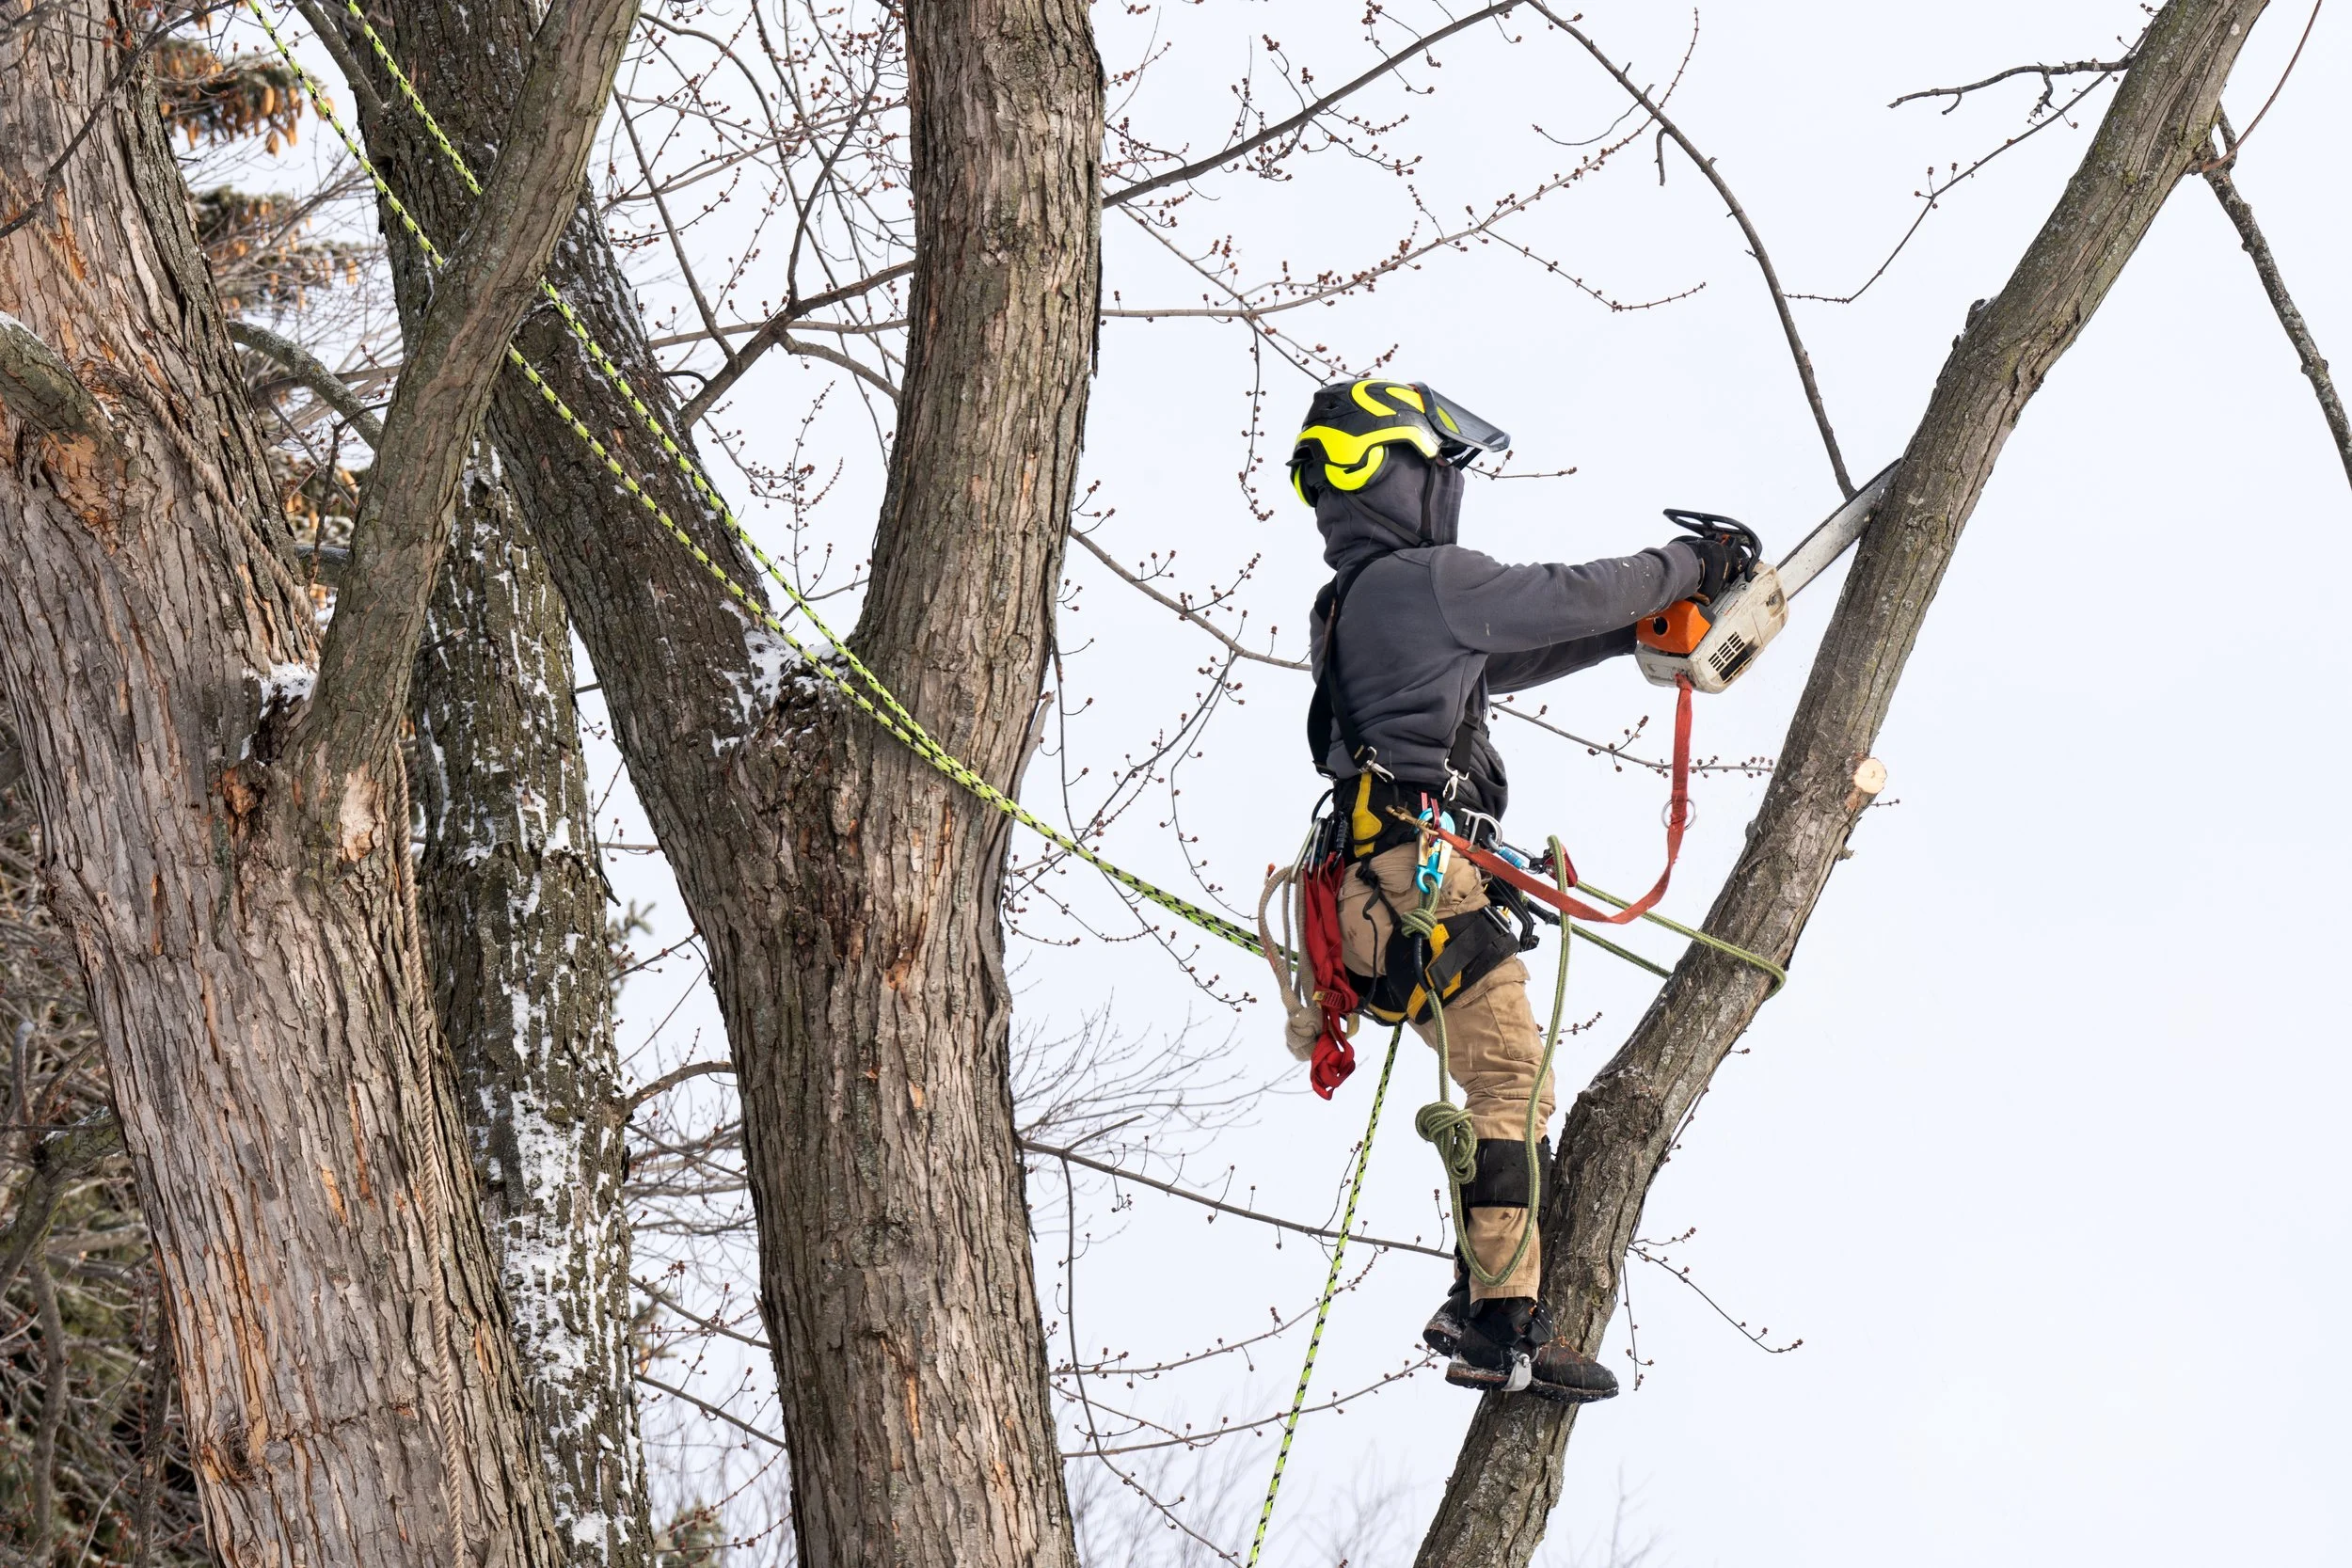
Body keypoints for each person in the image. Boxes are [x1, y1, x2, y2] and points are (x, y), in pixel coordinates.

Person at [1291, 378, 1749, 1402]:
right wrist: (1691, 563)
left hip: (1374, 892)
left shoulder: (1360, 602)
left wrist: (1649, 629)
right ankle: (1503, 1326)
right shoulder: (1425, 578)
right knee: (1511, 1086)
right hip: (1415, 879)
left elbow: (1532, 645)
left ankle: (1476, 1298)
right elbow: (1567, 592)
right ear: (1401, 476)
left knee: (1503, 1086)